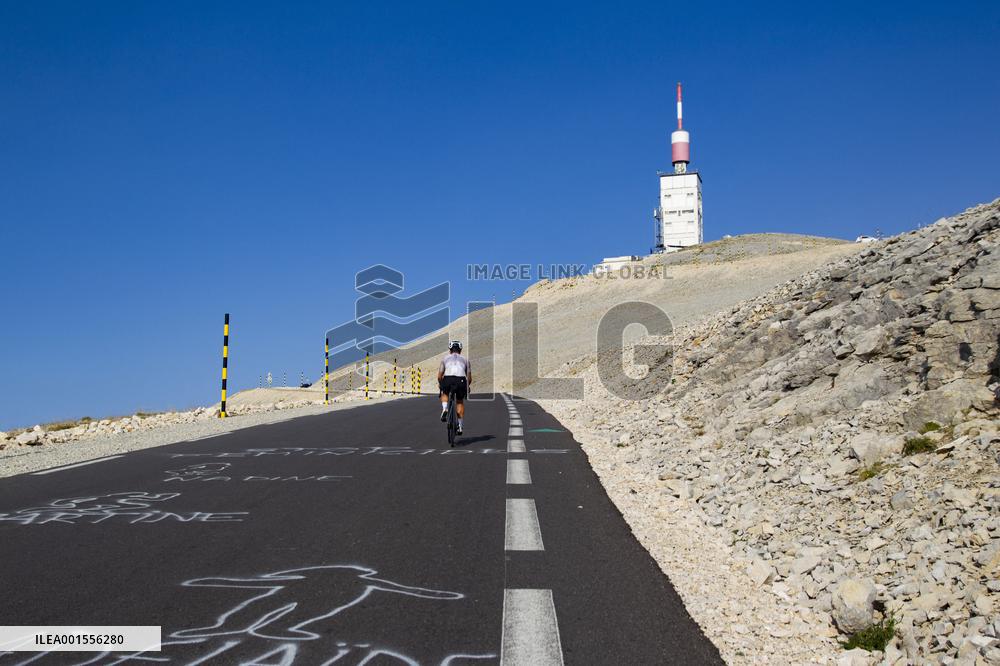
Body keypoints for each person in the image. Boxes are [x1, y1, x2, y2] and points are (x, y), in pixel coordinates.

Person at [438, 340, 471, 434]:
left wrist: (441, 384)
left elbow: (439, 376)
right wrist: (467, 386)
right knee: (460, 401)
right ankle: (460, 426)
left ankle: (445, 408)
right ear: (460, 349)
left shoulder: (445, 358)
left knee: (445, 393)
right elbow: (469, 377)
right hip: (460, 380)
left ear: (450, 349)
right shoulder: (465, 359)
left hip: (448, 379)